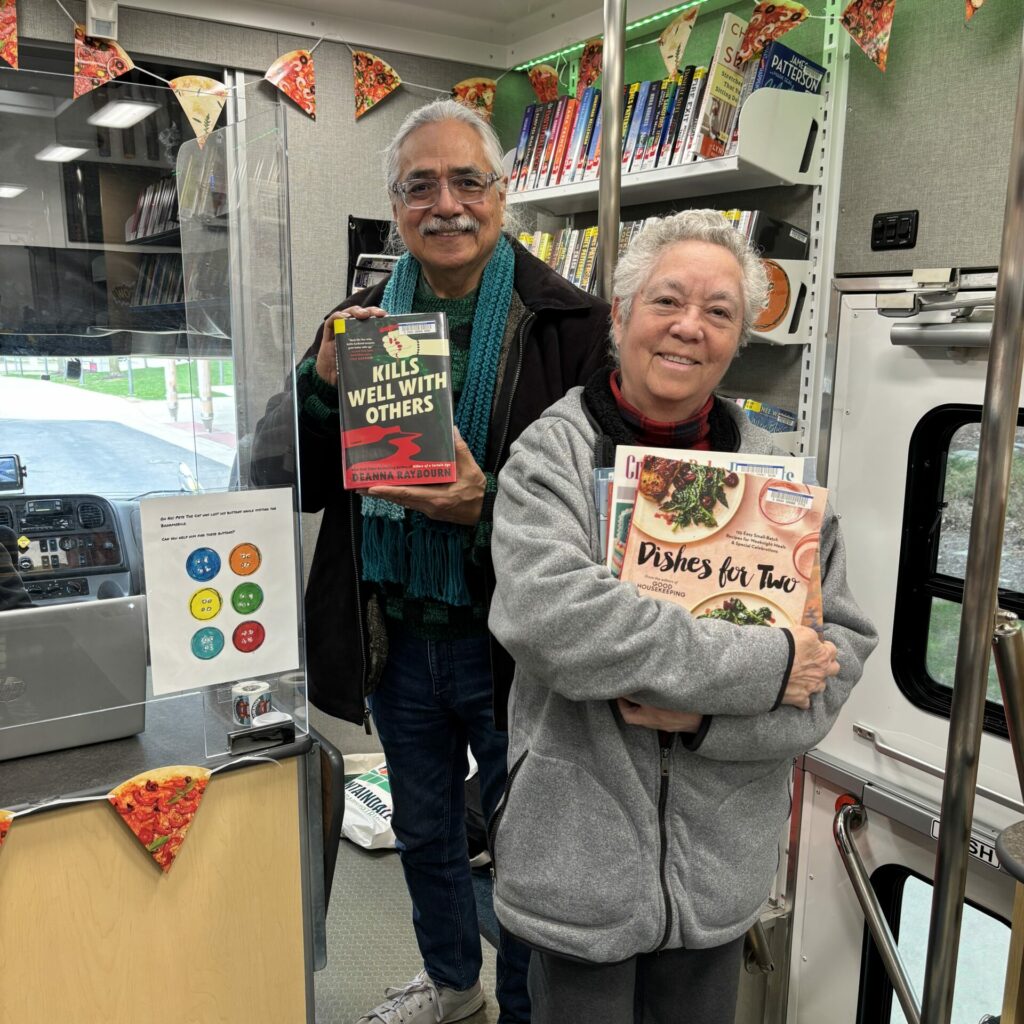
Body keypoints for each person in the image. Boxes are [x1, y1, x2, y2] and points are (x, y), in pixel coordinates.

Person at [249, 98, 610, 1024]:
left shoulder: (572, 327)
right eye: (420, 186)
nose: (445, 204)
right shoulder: (356, 324)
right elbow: (274, 472)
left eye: (467, 181)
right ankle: (456, 988)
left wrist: (484, 508)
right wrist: (318, 387)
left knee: (531, 847)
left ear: (504, 193)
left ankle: (527, 1008)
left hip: (512, 647)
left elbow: (604, 516)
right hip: (393, 634)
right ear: (396, 205)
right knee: (424, 831)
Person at [487, 209, 878, 1024]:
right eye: (667, 302)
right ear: (621, 315)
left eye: (720, 312)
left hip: (720, 871)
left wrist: (705, 721)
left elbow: (833, 664)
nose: (689, 329)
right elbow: (552, 620)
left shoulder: (780, 485)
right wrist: (763, 668)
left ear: (740, 340)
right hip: (576, 867)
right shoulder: (549, 456)